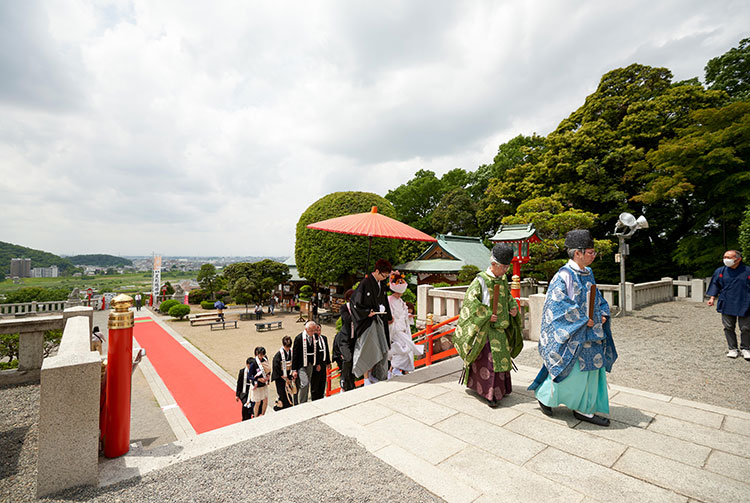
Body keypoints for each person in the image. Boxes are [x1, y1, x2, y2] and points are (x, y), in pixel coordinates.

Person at [528, 229, 617, 427]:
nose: (594, 256)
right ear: (578, 253)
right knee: (573, 374)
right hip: (574, 335)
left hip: (592, 333)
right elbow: (556, 306)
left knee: (591, 371)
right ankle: (551, 399)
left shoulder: (588, 272)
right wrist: (583, 320)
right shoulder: (563, 276)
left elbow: (598, 297)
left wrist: (602, 312)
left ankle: (583, 407)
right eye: (591, 252)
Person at [453, 244, 522, 407]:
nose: (506, 270)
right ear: (494, 264)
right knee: (489, 362)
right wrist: (485, 315)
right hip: (485, 330)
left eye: (507, 266)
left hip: (501, 327)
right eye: (504, 266)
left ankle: (501, 390)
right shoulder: (480, 280)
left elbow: (508, 297)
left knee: (502, 359)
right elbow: (470, 302)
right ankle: (489, 394)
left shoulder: (503, 279)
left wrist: (513, 307)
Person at [351, 259, 393, 385]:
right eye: (383, 275)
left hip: (380, 319)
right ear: (376, 271)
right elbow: (355, 302)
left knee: (382, 347)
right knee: (368, 349)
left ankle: (379, 375)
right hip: (368, 321)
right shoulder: (364, 283)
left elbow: (385, 301)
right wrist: (366, 312)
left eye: (386, 276)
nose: (384, 278)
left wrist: (389, 316)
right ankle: (366, 377)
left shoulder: (380, 284)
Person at [706, 250, 750, 360]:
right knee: (728, 326)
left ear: (738, 259)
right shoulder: (720, 271)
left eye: (729, 257)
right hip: (726, 301)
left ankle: (746, 348)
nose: (726, 259)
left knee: (745, 328)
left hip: (745, 302)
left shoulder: (748, 271)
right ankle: (732, 348)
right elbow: (715, 284)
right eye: (724, 257)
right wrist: (712, 298)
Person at [387, 271, 423, 377]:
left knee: (406, 348)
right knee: (402, 347)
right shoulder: (389, 300)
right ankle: (396, 369)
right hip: (395, 329)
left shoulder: (400, 301)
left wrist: (408, 316)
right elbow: (390, 315)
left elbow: (402, 315)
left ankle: (395, 370)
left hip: (402, 328)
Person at [332, 290, 356, 391]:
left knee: (354, 361)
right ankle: (343, 379)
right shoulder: (344, 307)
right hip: (344, 339)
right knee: (348, 358)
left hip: (354, 340)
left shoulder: (358, 308)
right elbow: (347, 319)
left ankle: (351, 384)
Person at [292, 321, 319, 403]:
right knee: (305, 383)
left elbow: (316, 351)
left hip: (310, 363)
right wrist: (294, 370)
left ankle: (306, 399)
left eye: (314, 330)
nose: (313, 332)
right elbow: (295, 354)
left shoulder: (315, 337)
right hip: (301, 364)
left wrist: (317, 363)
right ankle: (302, 401)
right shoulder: (299, 338)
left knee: (308, 382)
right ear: (306, 330)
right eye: (311, 330)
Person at [272, 336, 297, 410]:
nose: (288, 348)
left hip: (288, 376)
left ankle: (283, 406)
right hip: (280, 377)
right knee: (282, 393)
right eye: (286, 347)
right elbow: (276, 366)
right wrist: (282, 375)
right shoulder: (279, 355)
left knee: (289, 393)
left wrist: (291, 374)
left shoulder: (291, 352)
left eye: (289, 347)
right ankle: (280, 407)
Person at [247, 347, 271, 417]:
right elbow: (249, 376)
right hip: (257, 385)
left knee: (265, 400)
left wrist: (268, 377)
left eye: (263, 355)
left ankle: (263, 414)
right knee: (258, 402)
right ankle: (256, 416)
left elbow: (269, 370)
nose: (261, 357)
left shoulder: (265, 360)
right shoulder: (254, 363)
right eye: (260, 355)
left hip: (264, 384)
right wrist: (258, 379)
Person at [310, 323, 331, 400]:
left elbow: (327, 350)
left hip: (324, 362)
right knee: (316, 383)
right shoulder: (312, 340)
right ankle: (315, 398)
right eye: (316, 330)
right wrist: (317, 364)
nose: (318, 332)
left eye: (319, 330)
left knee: (323, 381)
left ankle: (321, 396)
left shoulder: (324, 338)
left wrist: (328, 362)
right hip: (317, 364)